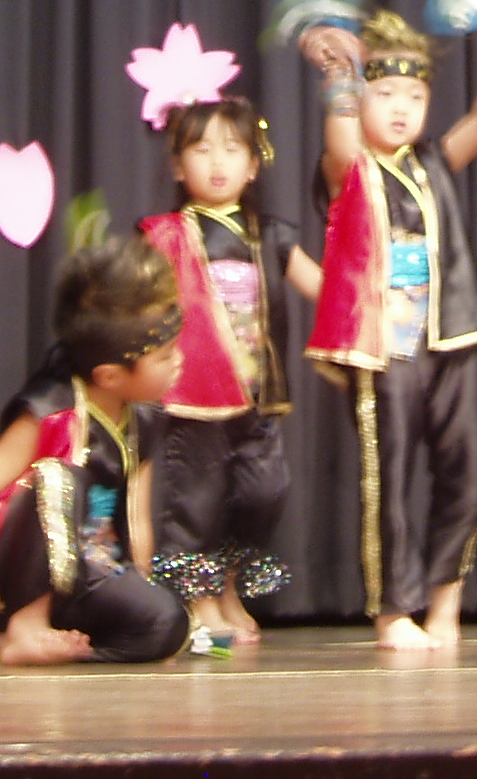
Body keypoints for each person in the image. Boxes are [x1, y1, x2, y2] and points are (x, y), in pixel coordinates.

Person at [300, 7, 477, 649]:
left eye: (416, 96)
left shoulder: (434, 161)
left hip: (454, 335)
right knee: (389, 479)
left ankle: (445, 603)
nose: (402, 107)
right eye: (386, 93)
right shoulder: (347, 168)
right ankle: (392, 610)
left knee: (471, 474)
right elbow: (344, 141)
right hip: (383, 345)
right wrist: (342, 76)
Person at [0, 236, 192, 664]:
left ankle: (28, 647)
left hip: (89, 577)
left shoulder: (146, 419)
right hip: (18, 580)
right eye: (165, 356)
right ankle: (25, 624)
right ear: (110, 375)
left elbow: (136, 520)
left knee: (167, 624)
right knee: (60, 477)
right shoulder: (52, 412)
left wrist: (141, 589)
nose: (179, 361)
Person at [139, 95, 321, 642]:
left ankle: (229, 587)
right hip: (195, 396)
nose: (218, 162)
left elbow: (326, 289)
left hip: (259, 394)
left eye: (232, 149)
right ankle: (198, 601)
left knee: (265, 493)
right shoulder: (164, 235)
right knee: (195, 501)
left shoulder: (273, 235)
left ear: (253, 164)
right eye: (201, 150)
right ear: (178, 166)